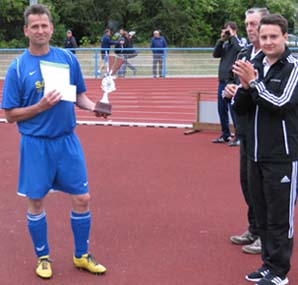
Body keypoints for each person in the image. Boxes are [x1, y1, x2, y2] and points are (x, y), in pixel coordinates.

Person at [1, 4, 107, 279]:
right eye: (34, 26)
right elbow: (10, 115)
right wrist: (40, 107)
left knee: (82, 198)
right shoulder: (17, 68)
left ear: (51, 28)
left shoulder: (67, 59)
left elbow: (78, 96)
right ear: (26, 31)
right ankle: (43, 257)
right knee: (36, 201)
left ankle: (81, 255)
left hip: (67, 141)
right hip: (36, 144)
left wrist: (95, 106)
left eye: (44, 25)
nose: (40, 30)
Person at [233, 14, 298, 285]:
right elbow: (239, 106)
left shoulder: (293, 66)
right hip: (255, 154)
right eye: (264, 37)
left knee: (280, 217)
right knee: (262, 213)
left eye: (274, 36)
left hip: (282, 156)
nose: (268, 42)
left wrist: (254, 84)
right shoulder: (255, 63)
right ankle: (268, 265)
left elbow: (281, 102)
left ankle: (280, 272)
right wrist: (243, 90)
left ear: (285, 37)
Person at [225, 7, 270, 255]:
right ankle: (254, 227)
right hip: (245, 129)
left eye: (254, 23)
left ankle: (267, 234)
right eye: (248, 24)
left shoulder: (272, 57)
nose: (250, 28)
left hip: (267, 132)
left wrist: (247, 88)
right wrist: (231, 90)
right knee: (248, 182)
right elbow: (237, 84)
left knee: (265, 186)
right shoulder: (244, 52)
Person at [212, 21, 246, 145]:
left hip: (232, 81)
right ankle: (225, 134)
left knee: (234, 110)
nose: (226, 32)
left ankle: (238, 136)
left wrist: (232, 36)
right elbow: (215, 54)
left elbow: (241, 50)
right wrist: (221, 40)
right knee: (221, 109)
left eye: (228, 30)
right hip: (222, 81)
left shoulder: (240, 41)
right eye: (225, 30)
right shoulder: (225, 44)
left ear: (234, 30)